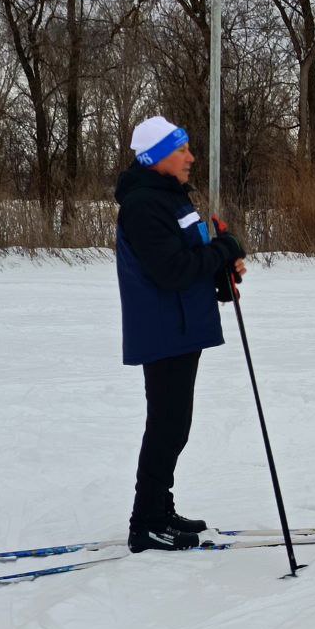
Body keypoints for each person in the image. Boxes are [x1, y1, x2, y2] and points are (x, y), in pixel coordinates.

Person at [115, 116, 247, 552]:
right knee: (167, 425)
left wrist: (222, 278)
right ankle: (146, 522)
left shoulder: (172, 201)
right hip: (163, 329)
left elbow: (189, 263)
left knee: (175, 425)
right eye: (182, 150)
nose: (191, 157)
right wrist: (223, 250)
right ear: (156, 157)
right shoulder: (143, 205)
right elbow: (171, 271)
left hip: (181, 325)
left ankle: (160, 509)